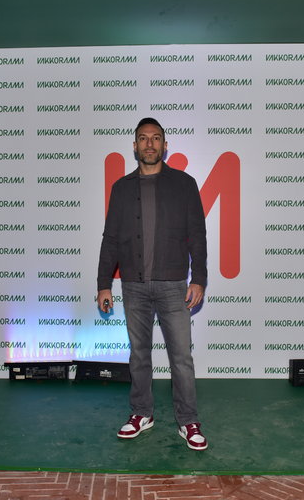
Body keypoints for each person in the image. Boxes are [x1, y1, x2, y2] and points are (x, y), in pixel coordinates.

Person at [96, 117, 208, 451]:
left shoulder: (184, 184)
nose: (149, 144)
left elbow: (197, 235)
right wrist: (104, 284)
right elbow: (110, 239)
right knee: (139, 355)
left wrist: (199, 279)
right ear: (135, 146)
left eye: (156, 138)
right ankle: (141, 413)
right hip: (133, 286)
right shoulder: (121, 188)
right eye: (143, 138)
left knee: (181, 359)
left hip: (174, 286)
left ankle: (188, 421)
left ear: (165, 145)